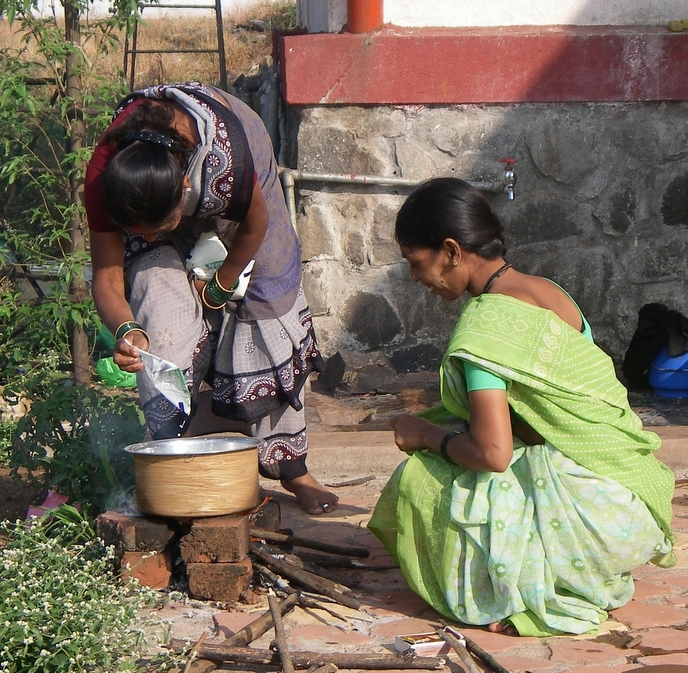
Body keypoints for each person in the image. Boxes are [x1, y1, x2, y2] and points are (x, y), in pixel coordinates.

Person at [368, 178, 675, 636]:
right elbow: (557, 417)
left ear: (452, 251)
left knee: (420, 481)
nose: (416, 279)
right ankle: (575, 569)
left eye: (416, 263)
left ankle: (521, 591)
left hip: (593, 522)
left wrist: (425, 435)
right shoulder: (550, 292)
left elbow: (494, 455)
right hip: (635, 503)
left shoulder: (486, 328)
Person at [84, 81, 338, 515]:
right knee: (157, 301)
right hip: (153, 196)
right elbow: (109, 279)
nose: (147, 239)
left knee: (264, 310)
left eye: (159, 228)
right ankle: (174, 458)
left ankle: (294, 471)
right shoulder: (106, 182)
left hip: (238, 172)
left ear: (185, 187)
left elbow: (254, 227)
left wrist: (221, 285)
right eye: (139, 233)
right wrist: (128, 331)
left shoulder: (229, 164)